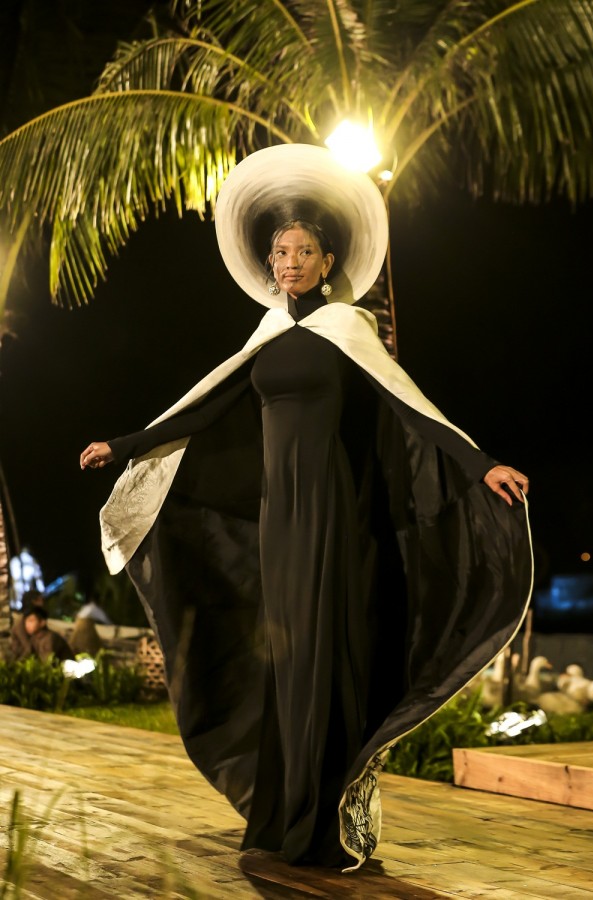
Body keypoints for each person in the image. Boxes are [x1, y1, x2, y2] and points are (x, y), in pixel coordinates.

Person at [79, 144, 533, 872]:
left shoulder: (348, 329)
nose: (290, 262)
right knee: (286, 657)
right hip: (279, 520)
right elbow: (200, 409)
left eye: (304, 252)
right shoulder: (265, 336)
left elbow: (413, 411)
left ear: (328, 262)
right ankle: (283, 811)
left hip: (331, 514)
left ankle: (324, 819)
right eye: (280, 252)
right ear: (271, 264)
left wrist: (483, 465)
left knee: (324, 652)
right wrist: (122, 444)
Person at [9, 606, 74, 663]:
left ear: (42, 623)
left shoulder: (50, 638)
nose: (27, 625)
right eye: (26, 621)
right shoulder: (34, 638)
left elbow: (47, 664)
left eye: (31, 621)